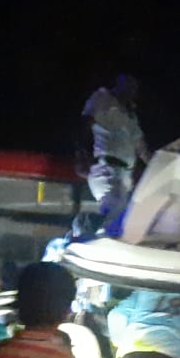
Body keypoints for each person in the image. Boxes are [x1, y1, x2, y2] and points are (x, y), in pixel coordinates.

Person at [78, 74, 150, 236]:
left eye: (134, 89)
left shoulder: (130, 116)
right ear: (118, 85)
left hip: (125, 176)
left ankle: (95, 238)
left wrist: (155, 164)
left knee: (120, 218)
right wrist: (80, 153)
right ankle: (83, 237)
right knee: (112, 214)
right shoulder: (103, 98)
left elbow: (141, 146)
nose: (131, 92)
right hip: (107, 169)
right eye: (128, 87)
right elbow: (85, 123)